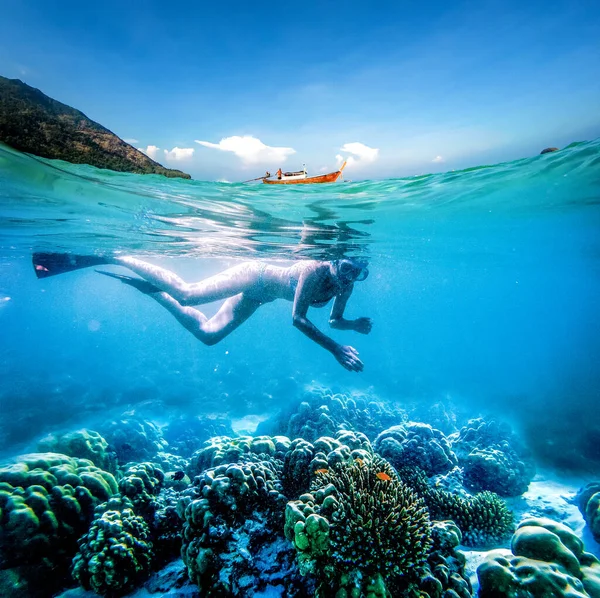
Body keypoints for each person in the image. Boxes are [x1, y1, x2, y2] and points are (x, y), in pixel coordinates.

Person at [32, 253, 372, 371]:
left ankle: (153, 293)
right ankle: (117, 256)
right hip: (255, 275)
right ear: (334, 259)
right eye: (345, 268)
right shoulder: (313, 270)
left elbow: (333, 320)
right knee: (189, 294)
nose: (348, 277)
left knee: (209, 335)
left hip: (258, 297)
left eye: (357, 273)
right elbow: (297, 319)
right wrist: (335, 349)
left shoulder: (346, 285)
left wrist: (352, 325)